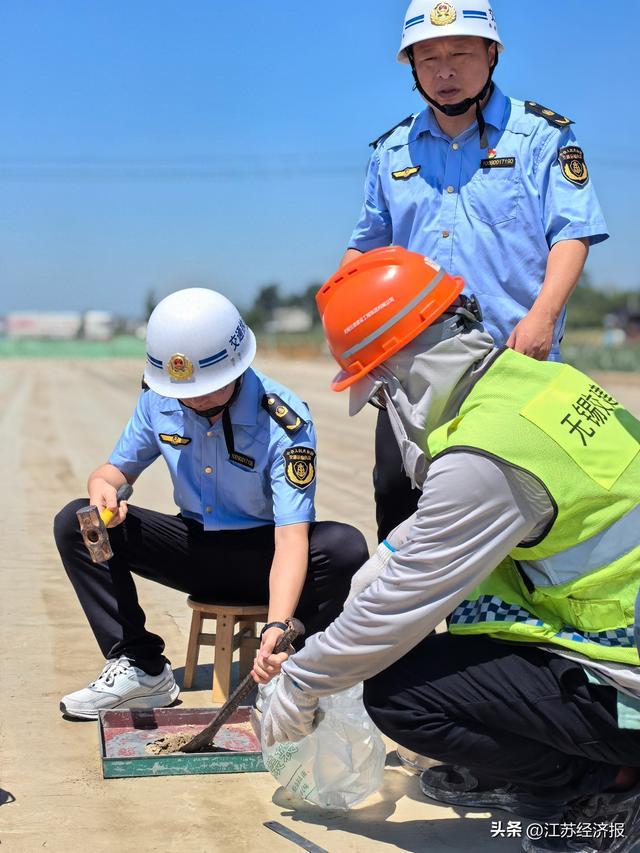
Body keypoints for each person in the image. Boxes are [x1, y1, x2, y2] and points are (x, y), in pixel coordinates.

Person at [261, 248, 640, 853]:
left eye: (380, 393)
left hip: (630, 701)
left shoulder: (485, 456)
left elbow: (397, 611)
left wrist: (302, 683)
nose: (387, 411)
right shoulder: (536, 386)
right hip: (618, 643)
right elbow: (448, 526)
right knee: (457, 634)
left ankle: (611, 785)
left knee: (401, 693)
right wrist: (382, 562)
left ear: (403, 374)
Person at [341, 0, 609, 541]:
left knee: (513, 506)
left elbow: (572, 234)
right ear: (412, 67)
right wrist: (346, 333)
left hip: (512, 358)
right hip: (411, 369)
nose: (444, 70)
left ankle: (490, 629)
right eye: (428, 57)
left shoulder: (542, 136)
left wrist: (542, 317)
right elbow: (363, 252)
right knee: (397, 497)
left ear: (491, 54)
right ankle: (407, 628)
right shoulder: (390, 151)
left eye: (460, 53)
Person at [53, 288, 368, 720]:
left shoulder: (283, 419)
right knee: (78, 522)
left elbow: (292, 538)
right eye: (187, 392)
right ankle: (140, 668)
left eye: (208, 389)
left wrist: (276, 626)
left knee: (343, 545)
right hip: (192, 549)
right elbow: (114, 471)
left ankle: (295, 669)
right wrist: (104, 489)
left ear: (237, 365)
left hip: (265, 555)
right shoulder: (159, 398)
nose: (196, 400)